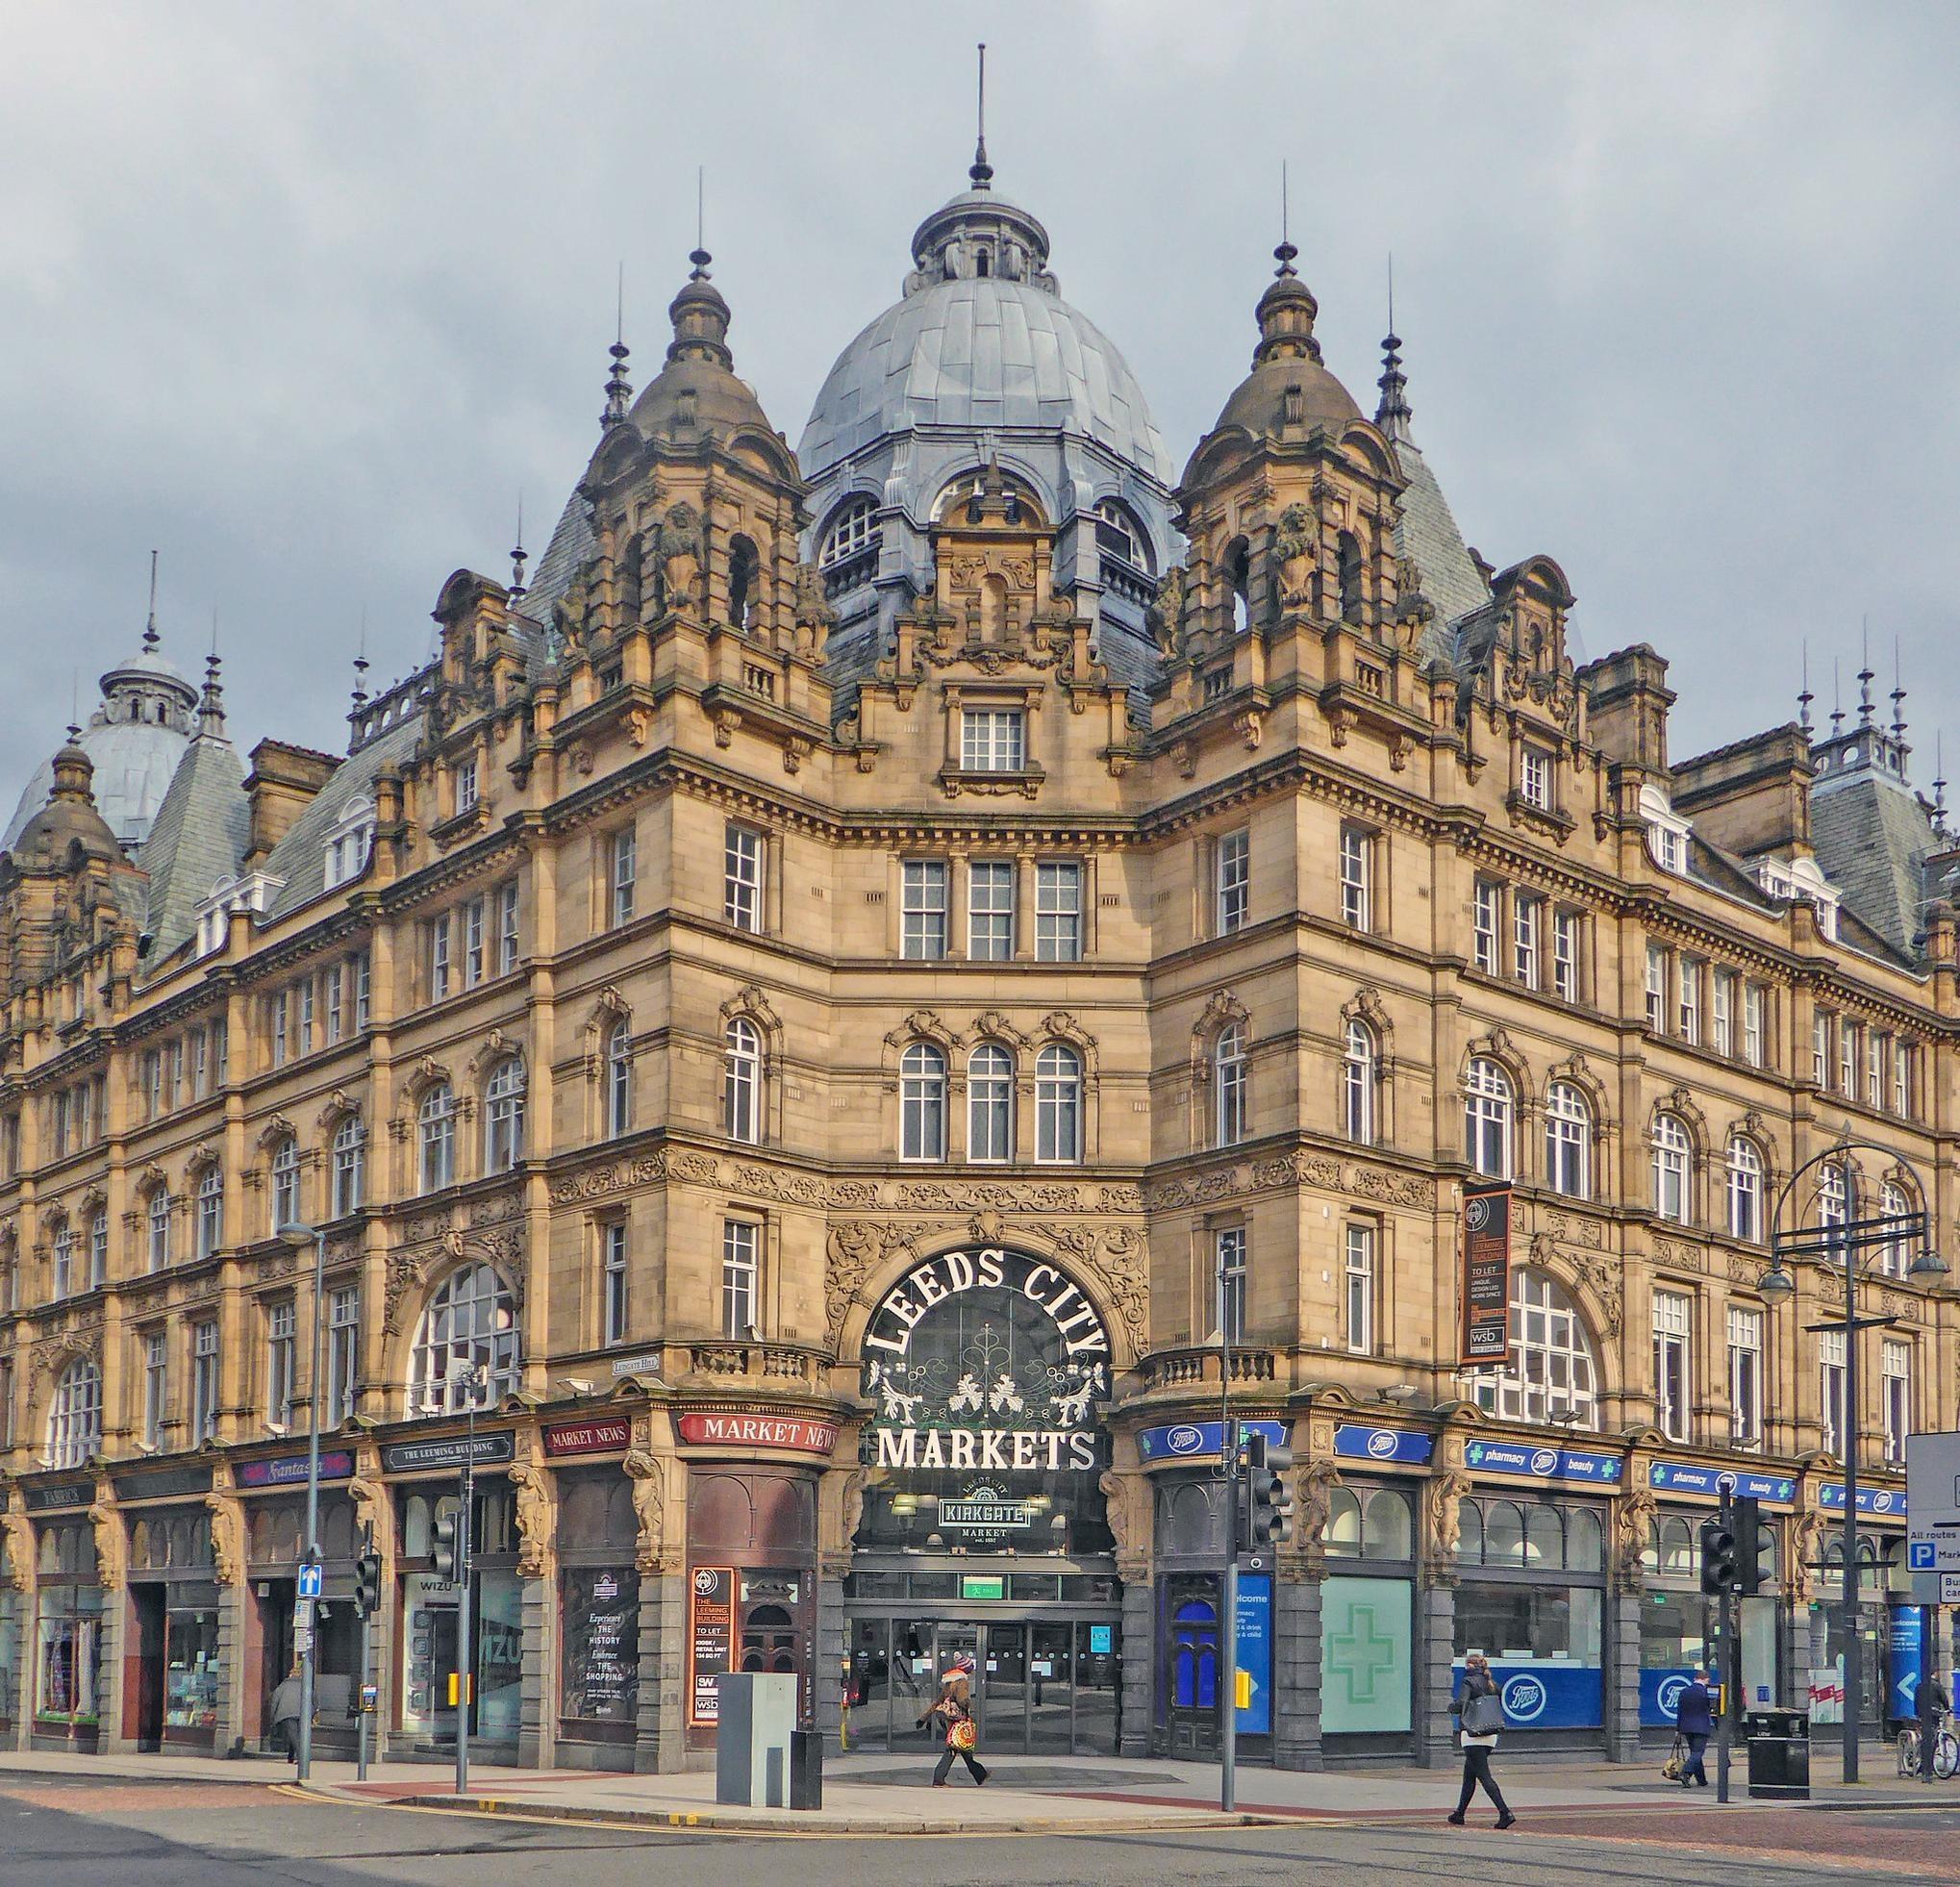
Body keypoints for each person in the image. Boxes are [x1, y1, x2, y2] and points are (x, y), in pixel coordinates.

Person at [1447, 1653, 1516, 1828]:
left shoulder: (1468, 1681)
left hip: (1473, 1735)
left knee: (1484, 1776)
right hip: (1490, 1735)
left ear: (1470, 1666)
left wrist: (1451, 1707)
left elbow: (1462, 1703)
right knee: (1469, 1776)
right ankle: (1459, 1813)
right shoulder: (1492, 1684)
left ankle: (1505, 1812)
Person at [917, 1657, 988, 1788]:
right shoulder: (962, 1682)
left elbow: (937, 1702)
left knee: (963, 1747)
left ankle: (980, 1774)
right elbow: (962, 1700)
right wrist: (967, 1703)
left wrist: (923, 1718)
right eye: (971, 1668)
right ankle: (938, 1779)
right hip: (958, 1720)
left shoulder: (949, 1682)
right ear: (967, 1669)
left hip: (948, 1719)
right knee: (953, 1748)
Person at [1674, 1668, 1716, 1787]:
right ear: (1706, 1679)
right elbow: (1712, 1709)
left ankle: (1701, 1780)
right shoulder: (1706, 1692)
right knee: (1698, 1752)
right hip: (1701, 1727)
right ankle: (1685, 1773)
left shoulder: (1684, 1691)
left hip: (1686, 1727)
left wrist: (1678, 1729)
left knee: (1694, 1753)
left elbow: (1680, 1711)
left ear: (1695, 1679)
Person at [268, 1662, 305, 1764]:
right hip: (303, 1713)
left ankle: (302, 1758)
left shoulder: (283, 1686)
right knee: (297, 1735)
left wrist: (272, 1717)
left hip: (287, 1713)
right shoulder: (306, 1686)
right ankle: (291, 1756)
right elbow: (314, 1700)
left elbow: (275, 1701)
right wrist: (312, 1713)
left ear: (290, 1675)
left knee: (293, 1735)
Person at [1919, 1667, 1951, 1777]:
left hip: (1922, 1714)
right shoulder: (1936, 1685)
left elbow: (1916, 1699)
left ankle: (1922, 1761)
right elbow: (1944, 1698)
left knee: (1927, 1736)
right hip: (1934, 1713)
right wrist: (1948, 1709)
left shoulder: (1919, 1685)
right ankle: (1927, 1765)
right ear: (1935, 1673)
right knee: (1932, 1736)